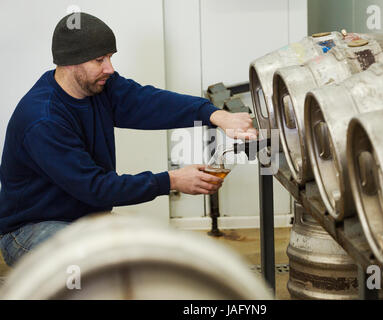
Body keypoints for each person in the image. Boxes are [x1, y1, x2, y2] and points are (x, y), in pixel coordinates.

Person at [0, 12, 257, 267]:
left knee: (150, 264)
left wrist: (214, 114)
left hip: (84, 221)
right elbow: (97, 188)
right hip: (30, 230)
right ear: (70, 62)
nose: (109, 68)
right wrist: (173, 180)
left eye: (110, 57)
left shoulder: (102, 86)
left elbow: (149, 103)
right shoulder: (44, 120)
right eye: (100, 60)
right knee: (92, 269)